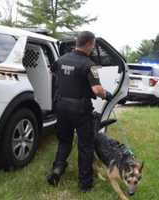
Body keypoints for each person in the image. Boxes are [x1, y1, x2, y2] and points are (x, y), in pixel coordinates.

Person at [47, 31, 112, 192]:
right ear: (89, 44)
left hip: (61, 106)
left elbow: (52, 73)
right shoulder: (89, 65)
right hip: (80, 110)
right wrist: (107, 95)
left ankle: (57, 170)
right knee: (85, 145)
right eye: (93, 45)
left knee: (64, 141)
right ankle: (85, 184)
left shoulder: (61, 60)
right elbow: (97, 90)